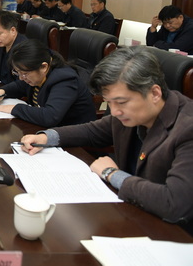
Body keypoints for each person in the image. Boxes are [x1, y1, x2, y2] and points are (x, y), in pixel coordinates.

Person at [19, 47, 193, 233]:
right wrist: (47, 137)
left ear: (155, 93)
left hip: (172, 233)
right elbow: (92, 131)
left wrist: (111, 173)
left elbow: (173, 203)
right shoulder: (131, 114)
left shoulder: (187, 129)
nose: (115, 111)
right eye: (109, 102)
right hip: (133, 212)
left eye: (121, 102)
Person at [0, 39, 95, 127]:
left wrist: (14, 108)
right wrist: (2, 92)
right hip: (46, 131)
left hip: (74, 140)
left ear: (44, 67)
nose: (21, 78)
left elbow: (49, 116)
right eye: (17, 72)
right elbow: (19, 86)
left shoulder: (65, 80)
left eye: (24, 73)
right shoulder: (36, 73)